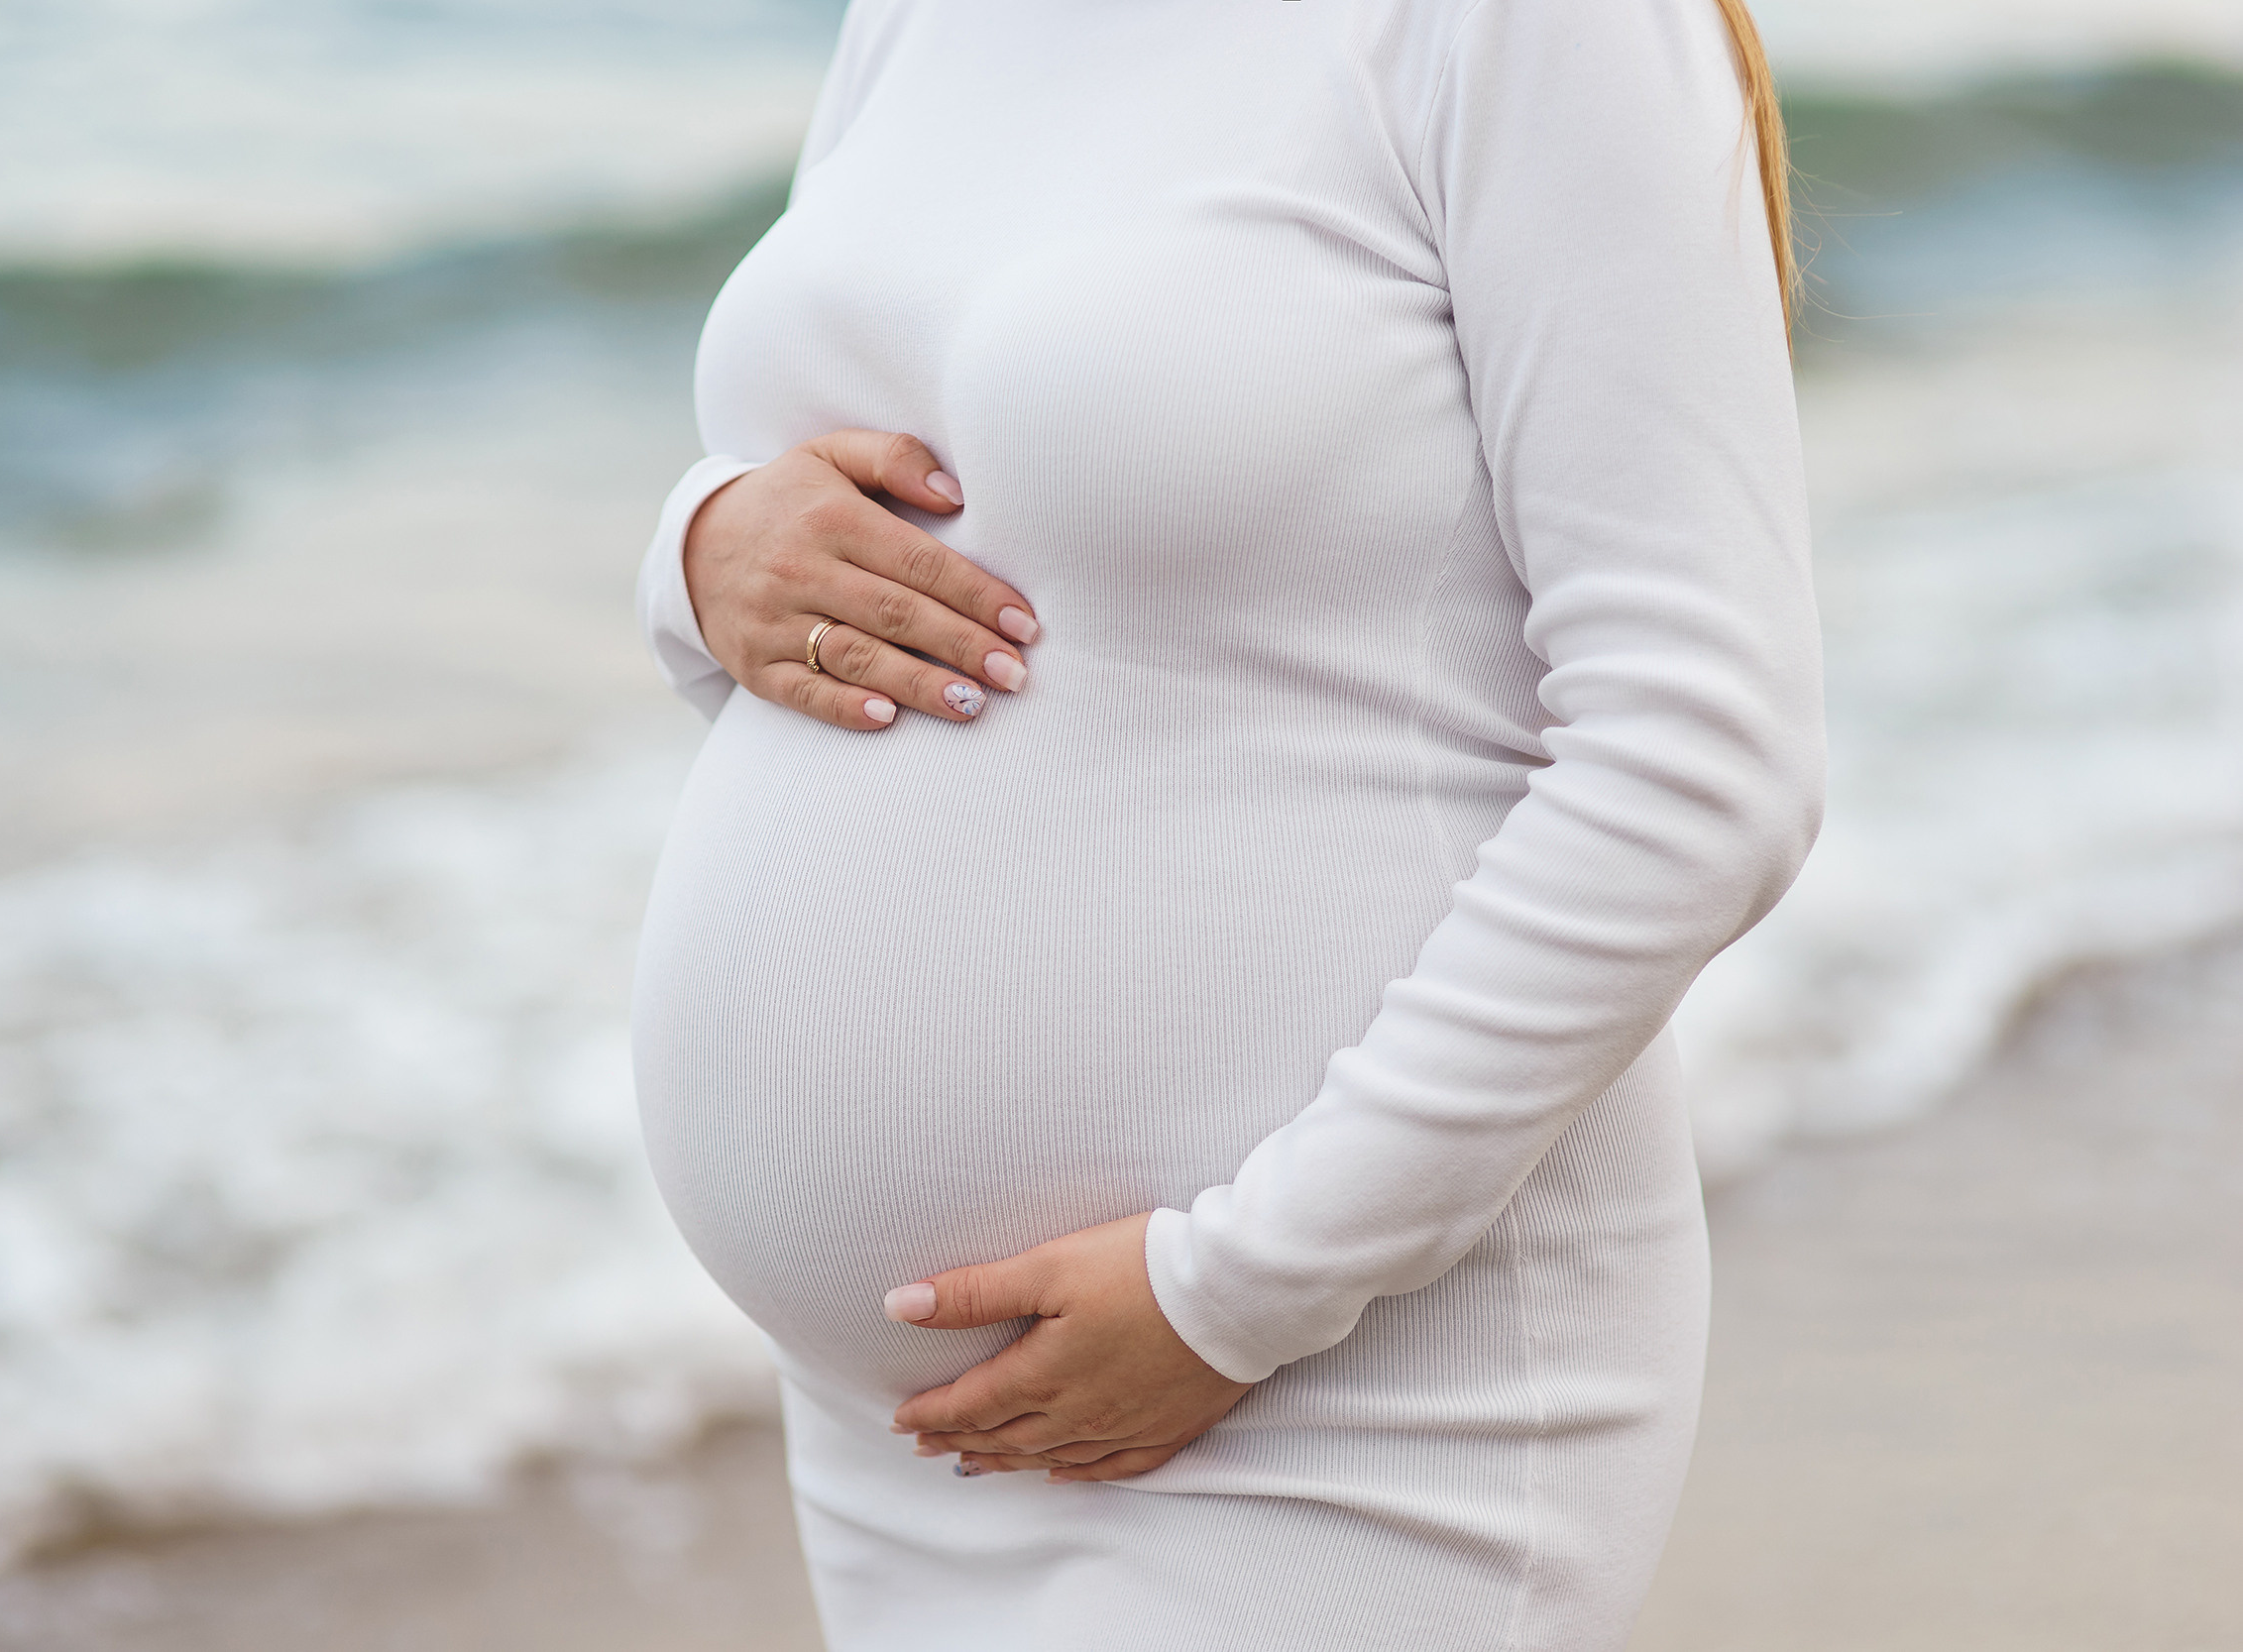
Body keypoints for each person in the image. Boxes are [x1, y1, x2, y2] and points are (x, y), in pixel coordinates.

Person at [630, 0, 1823, 1645]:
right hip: (904, 1448)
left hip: (1343, 1400)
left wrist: (1242, 1288)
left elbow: (1707, 755)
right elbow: (915, 574)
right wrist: (702, 554)